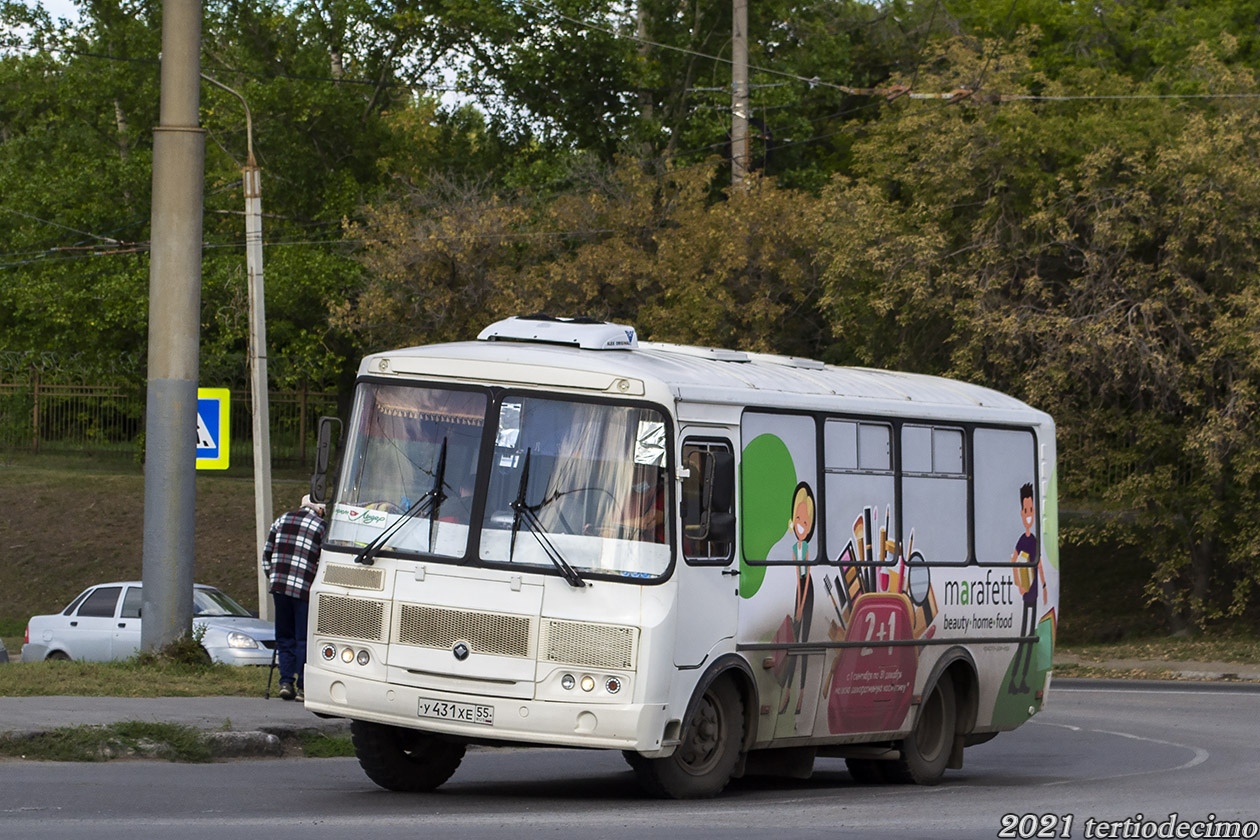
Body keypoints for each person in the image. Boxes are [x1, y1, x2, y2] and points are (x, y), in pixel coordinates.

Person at [262, 494, 325, 701]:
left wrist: (273, 577)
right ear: (319, 510)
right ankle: (303, 687)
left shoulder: (281, 520)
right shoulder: (321, 527)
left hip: (279, 587)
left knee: (284, 636)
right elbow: (323, 561)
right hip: (304, 591)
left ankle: (285, 682)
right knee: (303, 638)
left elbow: (267, 555)